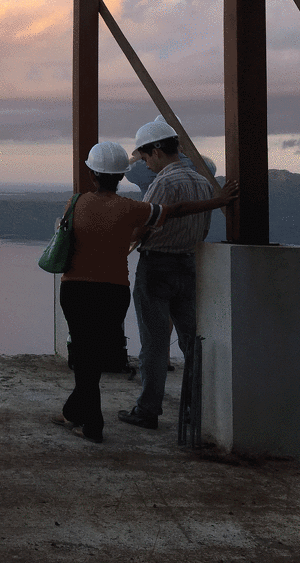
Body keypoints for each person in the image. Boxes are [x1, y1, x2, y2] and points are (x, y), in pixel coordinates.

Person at [55, 141, 236, 442]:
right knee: (94, 356)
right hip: (113, 292)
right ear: (122, 177)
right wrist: (219, 201)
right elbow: (177, 210)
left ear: (92, 175)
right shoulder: (132, 209)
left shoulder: (76, 204)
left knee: (85, 355)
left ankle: (91, 421)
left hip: (76, 289)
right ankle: (75, 413)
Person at [119, 118, 221, 430]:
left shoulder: (162, 184)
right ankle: (194, 411)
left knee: (154, 342)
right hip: (188, 266)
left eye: (147, 156)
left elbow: (142, 225)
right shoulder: (203, 183)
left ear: (159, 151)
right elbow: (203, 229)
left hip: (157, 267)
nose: (146, 164)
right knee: (192, 341)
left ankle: (148, 411)